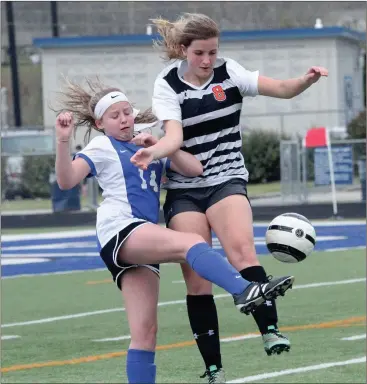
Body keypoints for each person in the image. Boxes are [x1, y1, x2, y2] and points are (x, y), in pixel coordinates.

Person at [53, 78, 294, 384]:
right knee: (190, 242)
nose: (124, 119)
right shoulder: (102, 145)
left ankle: (244, 292)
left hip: (139, 237)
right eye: (115, 116)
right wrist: (62, 141)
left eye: (127, 112)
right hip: (121, 229)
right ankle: (244, 290)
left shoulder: (145, 143)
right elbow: (66, 181)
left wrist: (159, 147)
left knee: (145, 333)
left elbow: (194, 169)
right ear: (101, 123)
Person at [129, 13, 328, 383]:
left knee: (241, 252)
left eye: (212, 52)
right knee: (197, 280)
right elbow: (173, 138)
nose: (207, 61)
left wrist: (306, 80)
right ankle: (214, 369)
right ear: (183, 50)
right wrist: (155, 152)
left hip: (227, 179)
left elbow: (282, 88)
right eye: (199, 53)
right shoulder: (168, 84)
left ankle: (270, 330)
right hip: (185, 188)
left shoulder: (229, 72)